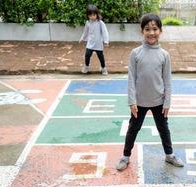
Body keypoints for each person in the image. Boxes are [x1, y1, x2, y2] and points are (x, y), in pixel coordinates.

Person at [116, 13, 184, 171]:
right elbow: (131, 79)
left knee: (163, 129)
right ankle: (125, 157)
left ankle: (169, 155)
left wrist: (167, 102)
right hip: (139, 102)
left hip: (159, 102)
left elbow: (167, 80)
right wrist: (132, 101)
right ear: (142, 31)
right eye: (147, 29)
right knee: (133, 129)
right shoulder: (135, 53)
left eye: (155, 29)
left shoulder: (164, 55)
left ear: (160, 31)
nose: (151, 32)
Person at [79, 4, 109, 75]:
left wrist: (106, 41)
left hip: (98, 43)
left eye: (94, 15)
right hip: (90, 43)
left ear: (97, 14)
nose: (92, 17)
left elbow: (105, 32)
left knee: (101, 57)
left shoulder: (100, 23)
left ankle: (103, 68)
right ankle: (86, 66)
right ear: (88, 15)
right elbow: (85, 32)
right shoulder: (87, 23)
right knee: (87, 55)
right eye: (90, 15)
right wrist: (82, 38)